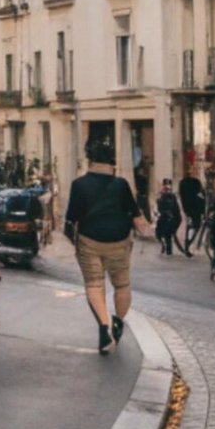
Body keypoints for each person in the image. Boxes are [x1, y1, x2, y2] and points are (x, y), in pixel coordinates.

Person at [63, 139, 149, 353]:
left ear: (89, 161)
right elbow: (136, 214)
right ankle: (118, 321)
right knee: (122, 286)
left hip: (89, 239)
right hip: (119, 240)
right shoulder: (121, 184)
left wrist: (73, 242)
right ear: (111, 162)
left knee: (94, 284)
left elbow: (71, 218)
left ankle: (104, 328)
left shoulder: (79, 185)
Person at [180, 167, 207, 253]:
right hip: (195, 207)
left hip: (187, 208)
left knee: (190, 226)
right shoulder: (196, 182)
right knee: (196, 225)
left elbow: (181, 195)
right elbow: (201, 195)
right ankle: (189, 242)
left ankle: (188, 242)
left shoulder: (183, 183)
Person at [154, 179, 183, 257]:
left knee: (168, 234)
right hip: (164, 217)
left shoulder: (171, 196)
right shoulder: (161, 195)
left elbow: (173, 208)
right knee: (158, 233)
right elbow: (159, 207)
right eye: (164, 187)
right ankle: (164, 246)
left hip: (173, 218)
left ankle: (168, 250)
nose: (166, 189)